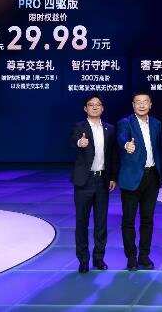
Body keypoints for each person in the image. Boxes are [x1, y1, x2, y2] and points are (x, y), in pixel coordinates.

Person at [70, 94, 118, 273]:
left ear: (102, 108)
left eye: (98, 105)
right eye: (91, 105)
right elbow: (73, 141)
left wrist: (112, 177)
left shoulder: (110, 128)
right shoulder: (79, 127)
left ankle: (99, 258)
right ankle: (83, 260)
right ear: (86, 108)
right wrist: (79, 142)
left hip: (102, 180)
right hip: (84, 181)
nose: (95, 107)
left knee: (101, 222)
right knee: (81, 222)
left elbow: (112, 155)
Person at [117, 91, 162, 271]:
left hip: (152, 177)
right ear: (133, 105)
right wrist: (126, 144)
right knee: (128, 220)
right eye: (138, 102)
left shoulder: (157, 123)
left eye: (145, 102)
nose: (142, 105)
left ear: (150, 104)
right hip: (132, 178)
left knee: (147, 219)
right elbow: (121, 137)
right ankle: (131, 257)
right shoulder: (126, 122)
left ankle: (144, 256)